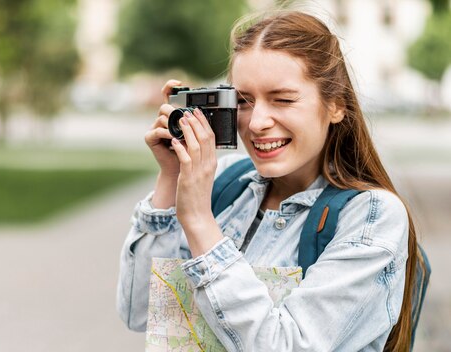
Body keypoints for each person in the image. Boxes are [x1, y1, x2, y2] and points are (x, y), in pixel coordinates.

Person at [116, 11, 421, 352]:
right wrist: (171, 178)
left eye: (283, 99)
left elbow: (286, 346)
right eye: (244, 101)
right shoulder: (227, 184)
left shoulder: (371, 217)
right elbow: (140, 312)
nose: (258, 122)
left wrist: (200, 223)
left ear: (335, 105)